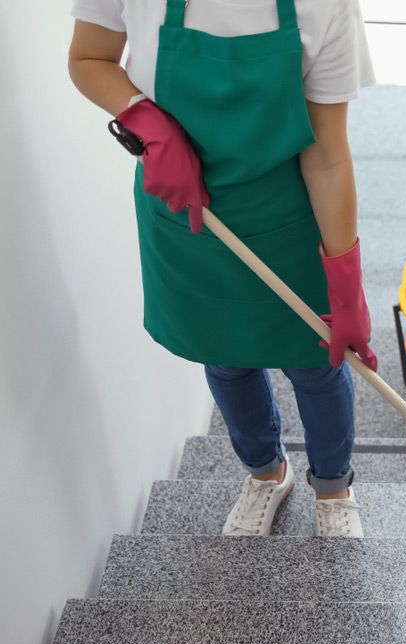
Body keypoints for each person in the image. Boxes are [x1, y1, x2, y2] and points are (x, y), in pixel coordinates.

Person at [68, 0, 378, 537]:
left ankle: (333, 486)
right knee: (225, 356)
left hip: (286, 214)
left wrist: (346, 288)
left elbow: (327, 153)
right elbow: (89, 57)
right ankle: (266, 473)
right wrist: (145, 119)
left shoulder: (326, 5)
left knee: (314, 364)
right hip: (187, 214)